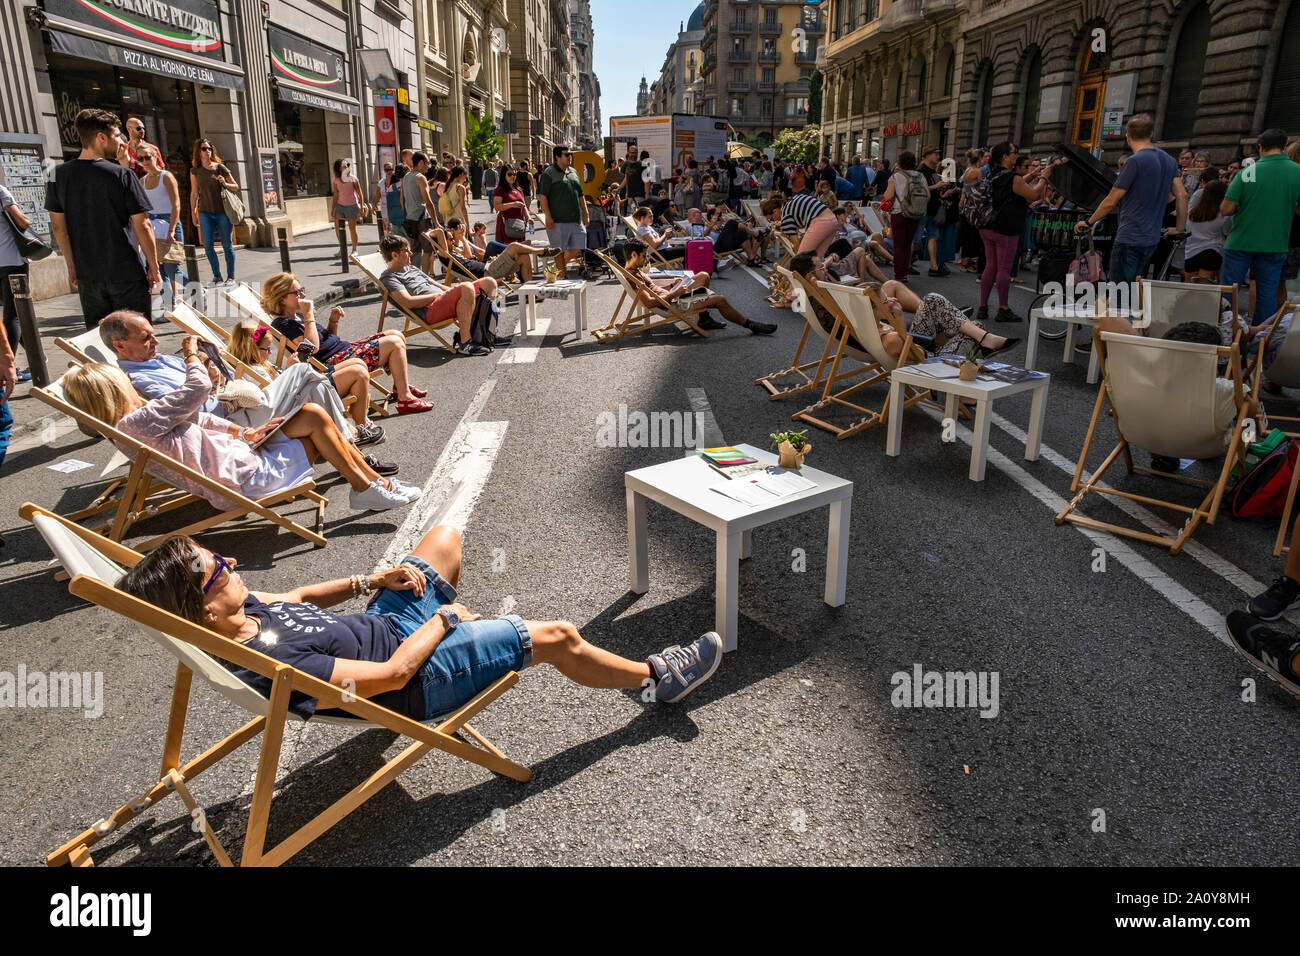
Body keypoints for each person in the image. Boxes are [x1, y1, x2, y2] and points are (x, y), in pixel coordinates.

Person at [119, 526, 724, 725]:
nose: (229, 565)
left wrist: (373, 581)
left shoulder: (243, 614)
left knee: (443, 536)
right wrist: (441, 621)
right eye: (216, 570)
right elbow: (389, 675)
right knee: (557, 635)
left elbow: (302, 591)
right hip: (415, 678)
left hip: (387, 621)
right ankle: (655, 678)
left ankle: (470, 635)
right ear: (201, 611)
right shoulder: (273, 663)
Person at [64, 356, 415, 512]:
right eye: (122, 380)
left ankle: (373, 486)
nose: (128, 381)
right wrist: (190, 355)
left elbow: (198, 421)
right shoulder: (135, 424)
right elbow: (199, 387)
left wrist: (244, 432)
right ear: (112, 390)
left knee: (313, 417)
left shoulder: (134, 422)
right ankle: (366, 487)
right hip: (242, 481)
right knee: (312, 418)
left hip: (244, 457)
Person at [47, 109, 159, 330]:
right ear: (101, 137)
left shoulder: (57, 175)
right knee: (138, 338)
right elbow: (142, 224)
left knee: (99, 339)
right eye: (117, 135)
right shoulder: (123, 175)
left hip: (88, 275)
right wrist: (154, 267)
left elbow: (59, 227)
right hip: (125, 271)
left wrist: (71, 265)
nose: (122, 142)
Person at [261, 273, 434, 413]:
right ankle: (405, 399)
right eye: (298, 293)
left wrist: (333, 322)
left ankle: (400, 387)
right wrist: (309, 316)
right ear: (283, 298)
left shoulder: (298, 315)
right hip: (332, 364)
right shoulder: (283, 324)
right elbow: (311, 351)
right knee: (393, 343)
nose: (303, 295)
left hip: (344, 351)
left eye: (302, 290)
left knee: (396, 334)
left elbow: (327, 340)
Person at [227, 320, 384, 447]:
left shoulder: (261, 364)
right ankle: (356, 427)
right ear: (251, 349)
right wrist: (289, 370)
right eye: (266, 349)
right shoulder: (251, 372)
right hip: (290, 401)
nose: (270, 353)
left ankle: (352, 427)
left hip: (296, 391)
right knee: (355, 373)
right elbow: (271, 397)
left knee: (356, 363)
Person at [1074, 114, 1187, 286]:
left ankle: (1121, 312)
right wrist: (1179, 228)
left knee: (1120, 291)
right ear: (1151, 134)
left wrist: (1088, 222)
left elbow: (1112, 199)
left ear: (1127, 136)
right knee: (1134, 288)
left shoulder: (1134, 162)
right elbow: (1182, 195)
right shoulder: (1169, 160)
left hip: (1130, 235)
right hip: (1151, 237)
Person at [1220, 128, 1300, 327]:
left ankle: (1225, 331)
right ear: (1283, 146)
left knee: (1228, 290)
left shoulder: (1249, 171)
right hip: (1275, 242)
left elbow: (1227, 209)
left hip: (1241, 240)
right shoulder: (1297, 172)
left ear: (1260, 147)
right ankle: (1260, 337)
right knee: (1267, 294)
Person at [376, 234, 499, 356]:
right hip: (430, 310)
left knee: (489, 283)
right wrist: (439, 296)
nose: (410, 252)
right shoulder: (389, 277)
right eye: (406, 250)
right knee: (466, 287)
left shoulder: (412, 269)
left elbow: (439, 286)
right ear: (394, 255)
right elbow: (408, 301)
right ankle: (465, 342)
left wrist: (456, 291)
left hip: (443, 301)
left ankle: (488, 335)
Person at [622, 239, 776, 335]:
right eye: (643, 255)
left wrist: (672, 285)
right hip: (672, 303)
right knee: (720, 300)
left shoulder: (634, 271)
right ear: (634, 255)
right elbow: (649, 302)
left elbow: (653, 290)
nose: (646, 258)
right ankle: (750, 324)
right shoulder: (632, 276)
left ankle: (704, 318)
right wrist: (675, 293)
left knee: (703, 275)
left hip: (671, 295)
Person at [979, 145, 1058, 323]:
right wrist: (1044, 178)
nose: (1017, 156)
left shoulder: (993, 174)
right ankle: (1003, 308)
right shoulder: (1012, 177)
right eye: (1014, 153)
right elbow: (1032, 194)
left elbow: (1016, 183)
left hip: (987, 226)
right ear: (1006, 157)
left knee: (990, 266)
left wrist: (1033, 174)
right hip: (1006, 228)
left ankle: (983, 307)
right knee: (1004, 269)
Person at [137, 144, 187, 311]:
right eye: (140, 158)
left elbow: (176, 204)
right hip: (152, 224)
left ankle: (198, 291)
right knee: (158, 267)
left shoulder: (166, 177)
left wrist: (172, 229)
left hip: (169, 222)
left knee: (173, 267)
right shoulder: (141, 181)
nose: (144, 161)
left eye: (147, 157)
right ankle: (169, 304)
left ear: (155, 157)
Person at [189, 137, 240, 286]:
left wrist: (225, 183)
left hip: (223, 212)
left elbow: (236, 186)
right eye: (204, 149)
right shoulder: (195, 171)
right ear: (198, 152)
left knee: (227, 245)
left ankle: (231, 277)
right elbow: (194, 194)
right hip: (205, 212)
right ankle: (217, 276)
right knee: (208, 245)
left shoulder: (220, 167)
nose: (207, 151)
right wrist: (194, 213)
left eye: (209, 149)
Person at [537, 145, 589, 278]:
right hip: (557, 219)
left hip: (575, 219)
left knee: (578, 246)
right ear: (557, 157)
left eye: (570, 154)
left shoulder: (573, 172)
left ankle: (554, 270)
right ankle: (562, 275)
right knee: (559, 250)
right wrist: (548, 216)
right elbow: (542, 196)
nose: (569, 157)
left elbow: (581, 195)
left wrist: (586, 213)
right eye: (566, 155)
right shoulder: (549, 173)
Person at [0, 176, 31, 380]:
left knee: (12, 316)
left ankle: (38, 355)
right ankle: (8, 366)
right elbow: (23, 222)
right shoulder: (1, 191)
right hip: (12, 260)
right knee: (14, 314)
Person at [761, 192, 839, 261]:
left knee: (802, 260)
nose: (773, 221)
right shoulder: (791, 201)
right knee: (817, 259)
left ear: (775, 211)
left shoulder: (785, 216)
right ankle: (818, 276)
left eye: (771, 219)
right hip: (833, 219)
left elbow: (796, 244)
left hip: (821, 222)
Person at [1183, 180, 1232, 282]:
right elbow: (1227, 232)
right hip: (1212, 251)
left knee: (1190, 290)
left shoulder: (1192, 212)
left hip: (1191, 253)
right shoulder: (1223, 215)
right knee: (1205, 291)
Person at [401, 153, 440, 274]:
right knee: (428, 251)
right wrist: (436, 222)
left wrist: (407, 214)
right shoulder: (420, 177)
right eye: (427, 163)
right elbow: (428, 202)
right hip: (422, 219)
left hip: (410, 218)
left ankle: (399, 271)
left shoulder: (406, 177)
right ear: (421, 162)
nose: (428, 166)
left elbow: (402, 200)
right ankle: (425, 277)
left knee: (415, 250)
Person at [331, 158, 362, 255]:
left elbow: (359, 193)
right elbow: (336, 195)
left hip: (352, 205)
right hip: (340, 205)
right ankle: (342, 248)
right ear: (339, 168)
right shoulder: (336, 180)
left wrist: (362, 206)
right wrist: (333, 208)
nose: (346, 166)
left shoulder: (353, 179)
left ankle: (354, 250)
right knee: (337, 227)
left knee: (352, 228)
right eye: (344, 165)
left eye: (347, 165)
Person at [438, 165, 470, 231]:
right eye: (465, 176)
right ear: (461, 174)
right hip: (459, 223)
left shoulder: (446, 187)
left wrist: (445, 223)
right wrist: (467, 224)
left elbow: (444, 207)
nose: (465, 179)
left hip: (448, 222)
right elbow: (463, 208)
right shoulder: (460, 187)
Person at [384, 163, 407, 237]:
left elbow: (388, 205)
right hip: (406, 219)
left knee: (398, 243)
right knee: (410, 242)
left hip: (394, 219)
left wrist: (388, 221)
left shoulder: (391, 187)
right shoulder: (407, 185)